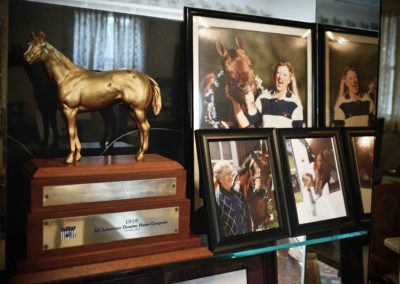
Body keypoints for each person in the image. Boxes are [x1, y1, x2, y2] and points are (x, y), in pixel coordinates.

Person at [241, 62, 304, 128]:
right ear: (274, 76)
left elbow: (297, 132)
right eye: (278, 73)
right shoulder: (262, 98)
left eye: (284, 75)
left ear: (289, 80)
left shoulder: (295, 102)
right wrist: (250, 103)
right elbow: (255, 123)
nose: (280, 77)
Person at [213, 161, 251, 237]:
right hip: (230, 245)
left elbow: (248, 219)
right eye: (227, 174)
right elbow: (217, 229)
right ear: (220, 178)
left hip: (246, 241)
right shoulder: (217, 199)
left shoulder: (239, 194)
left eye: (231, 173)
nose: (231, 177)